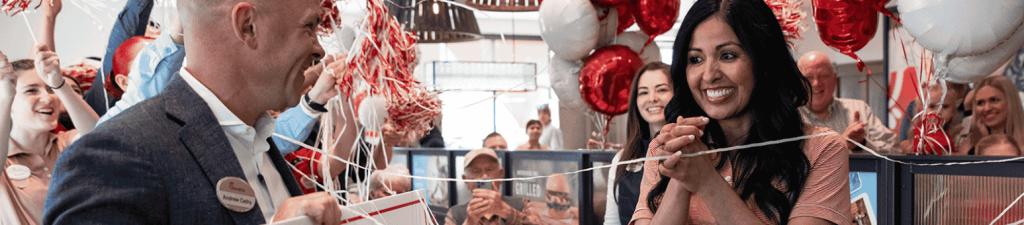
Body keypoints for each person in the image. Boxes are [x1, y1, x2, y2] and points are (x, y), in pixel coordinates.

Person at [43, 0, 345, 224]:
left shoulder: (258, 141)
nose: (319, 49)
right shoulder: (113, 157)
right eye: (309, 26)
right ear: (247, 25)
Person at [631, 0, 850, 224]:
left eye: (727, 56)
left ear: (764, 61)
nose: (708, 75)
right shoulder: (665, 148)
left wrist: (706, 181)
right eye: (695, 59)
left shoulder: (822, 150)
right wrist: (680, 178)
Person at [94, 14, 329, 155]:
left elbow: (266, 142)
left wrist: (313, 101)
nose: (170, 66)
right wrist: (184, 21)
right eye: (151, 58)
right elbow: (146, 89)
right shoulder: (113, 134)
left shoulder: (200, 114)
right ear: (125, 82)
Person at [1, 46, 99, 224]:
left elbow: (102, 139)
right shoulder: (4, 160)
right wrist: (5, 96)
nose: (48, 98)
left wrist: (59, 84)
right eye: (31, 90)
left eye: (50, 89)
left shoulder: (68, 142)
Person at [604, 62, 672, 225]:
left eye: (661, 90)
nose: (652, 98)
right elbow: (612, 221)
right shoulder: (622, 159)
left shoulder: (695, 152)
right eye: (643, 92)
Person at [798, 51, 897, 154]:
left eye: (823, 76)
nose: (816, 83)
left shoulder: (859, 109)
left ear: (835, 79)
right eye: (808, 78)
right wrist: (842, 144)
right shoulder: (788, 117)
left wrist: (862, 144)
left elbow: (895, 150)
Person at [445, 148, 542, 225]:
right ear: (466, 180)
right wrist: (469, 222)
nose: (484, 177)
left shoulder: (522, 204)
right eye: (476, 171)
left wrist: (506, 211)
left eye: (490, 170)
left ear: (500, 175)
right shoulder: (455, 214)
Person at [959, 75, 1024, 155]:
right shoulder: (967, 144)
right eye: (980, 103)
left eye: (994, 100)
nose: (987, 108)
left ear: (1010, 102)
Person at [899, 82, 968, 154]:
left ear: (953, 111)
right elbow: (938, 157)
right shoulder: (924, 135)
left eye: (945, 106)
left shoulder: (944, 133)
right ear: (921, 110)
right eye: (932, 106)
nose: (938, 112)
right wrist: (962, 154)